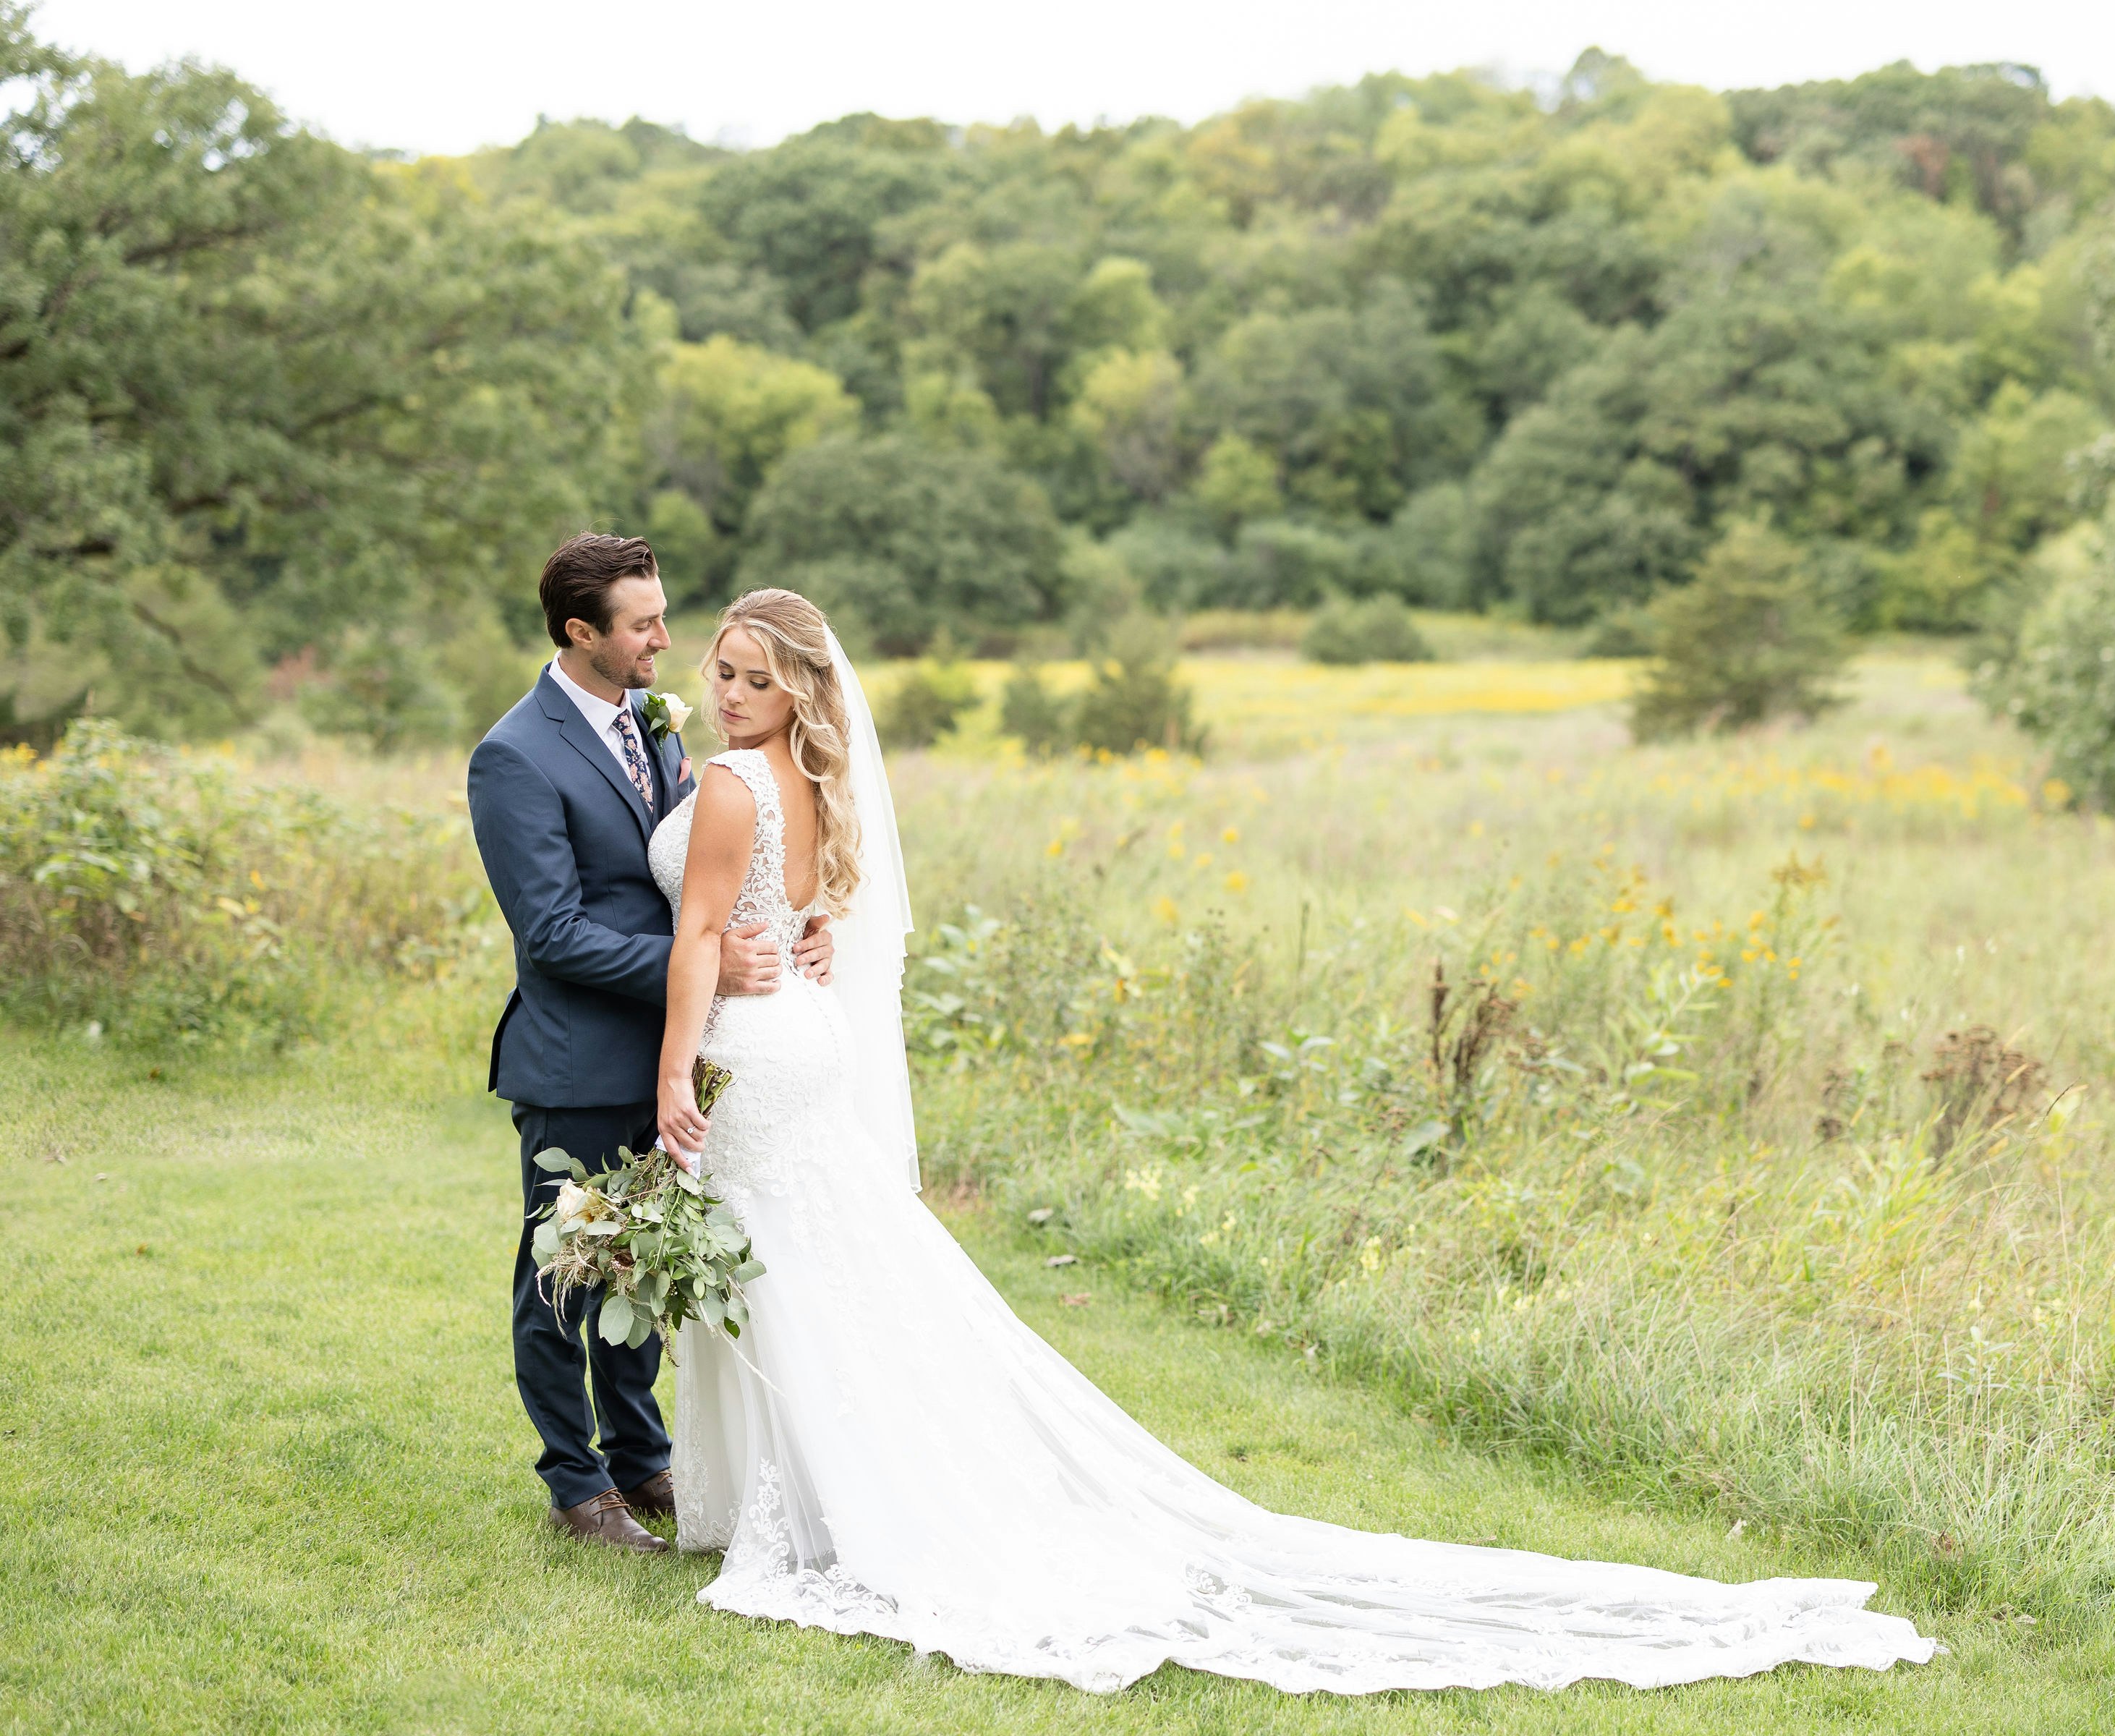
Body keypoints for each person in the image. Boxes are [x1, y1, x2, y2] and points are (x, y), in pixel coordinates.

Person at [645, 586, 1938, 1695]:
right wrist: (790, 946)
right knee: (819, 1266)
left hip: (758, 1050)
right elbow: (797, 914)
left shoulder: (734, 783)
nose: (730, 692)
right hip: (807, 1036)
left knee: (790, 1269)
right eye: (723, 671)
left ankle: (818, 1510)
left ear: (800, 687)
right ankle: (817, 1496)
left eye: (754, 678)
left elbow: (703, 936)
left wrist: (669, 1081)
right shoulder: (812, 782)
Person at [465, 536, 833, 1553]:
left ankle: (640, 1457)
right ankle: (575, 1484)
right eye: (643, 625)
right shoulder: (514, 756)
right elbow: (552, 932)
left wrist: (799, 925)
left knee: (643, 1266)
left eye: (664, 616)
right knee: (565, 1271)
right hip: (577, 1058)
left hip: (684, 1051)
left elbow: (711, 866)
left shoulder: (654, 724)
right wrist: (704, 963)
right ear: (580, 632)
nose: (666, 640)